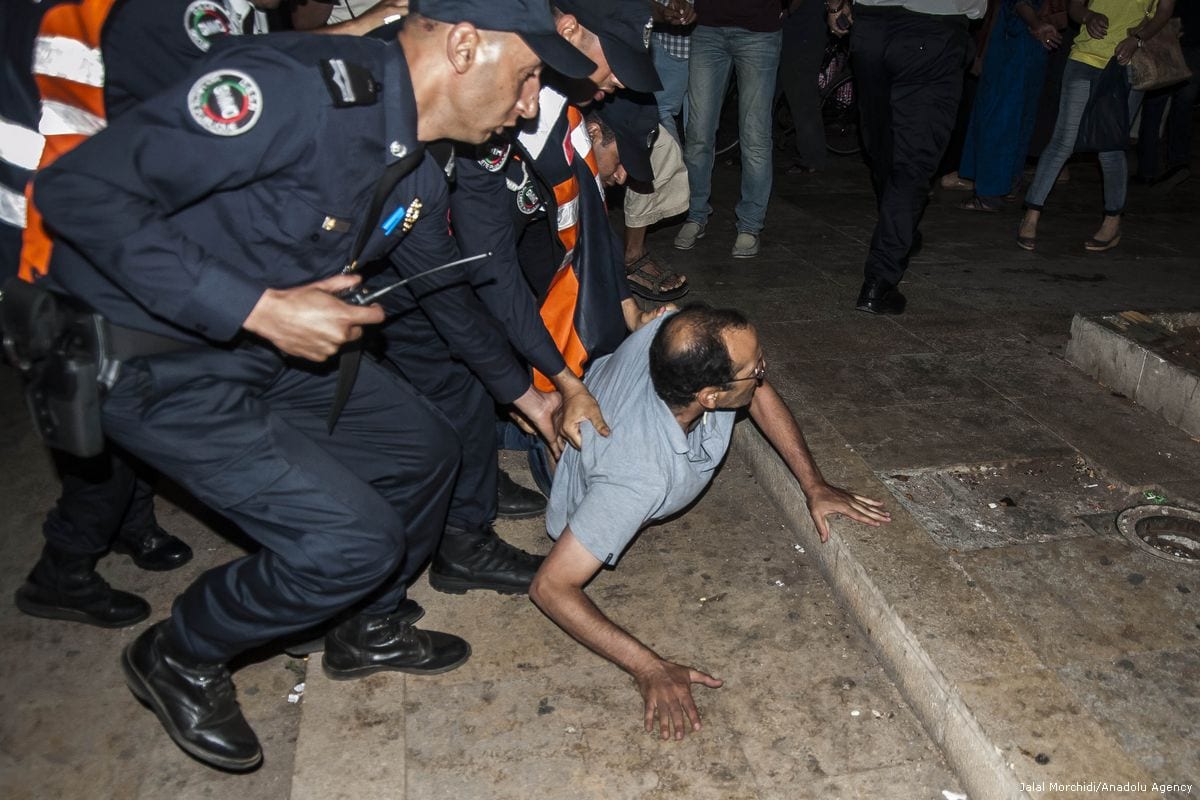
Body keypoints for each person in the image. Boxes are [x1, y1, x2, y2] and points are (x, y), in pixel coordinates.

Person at [33, 0, 589, 771]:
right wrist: (255, 306)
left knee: (427, 449)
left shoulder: (419, 163)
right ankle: (181, 650)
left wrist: (534, 395)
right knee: (352, 543)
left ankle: (370, 627)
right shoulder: (294, 91)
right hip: (155, 361)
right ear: (465, 45)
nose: (529, 107)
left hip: (268, 352)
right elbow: (77, 194)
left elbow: (444, 287)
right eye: (527, 78)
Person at [529, 304, 892, 740]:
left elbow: (756, 390)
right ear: (709, 397)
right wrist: (649, 668)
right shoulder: (638, 476)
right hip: (567, 451)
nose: (763, 369)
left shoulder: (676, 337)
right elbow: (550, 587)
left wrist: (814, 483)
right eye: (753, 367)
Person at [828, 0, 985, 314]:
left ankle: (899, 228)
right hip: (935, 28)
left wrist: (834, 4)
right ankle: (880, 279)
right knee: (912, 160)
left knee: (881, 146)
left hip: (871, 28)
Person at [1017, 0, 1177, 252]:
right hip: (1084, 58)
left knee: (1111, 146)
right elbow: (1075, 6)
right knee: (1062, 141)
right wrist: (1089, 16)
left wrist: (1137, 38)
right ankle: (1031, 214)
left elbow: (1164, 12)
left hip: (1129, 63)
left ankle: (1112, 221)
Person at [673, 0, 784, 259]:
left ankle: (750, 225)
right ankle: (695, 214)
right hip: (707, 27)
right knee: (698, 132)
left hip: (760, 30)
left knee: (755, 135)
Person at [957, 0, 1064, 212]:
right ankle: (1008, 184)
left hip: (1014, 41)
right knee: (1019, 116)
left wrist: (1035, 22)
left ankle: (990, 193)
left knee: (998, 116)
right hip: (1034, 43)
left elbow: (1018, 3)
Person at [778, 0, 832, 176]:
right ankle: (757, 149)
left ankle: (812, 157)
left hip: (807, 20)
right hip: (792, 20)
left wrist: (787, 9)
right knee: (771, 86)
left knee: (802, 91)